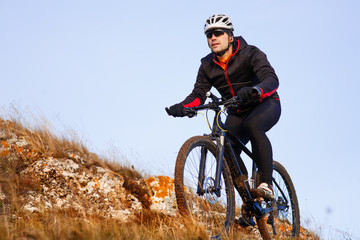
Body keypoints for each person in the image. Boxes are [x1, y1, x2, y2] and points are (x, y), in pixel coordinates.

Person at [166, 14, 281, 198]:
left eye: (218, 33)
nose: (213, 38)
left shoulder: (251, 53)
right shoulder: (207, 65)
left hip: (265, 103)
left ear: (230, 36)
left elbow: (271, 79)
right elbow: (198, 95)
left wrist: (256, 90)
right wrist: (182, 107)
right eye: (209, 35)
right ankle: (249, 200)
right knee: (227, 149)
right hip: (236, 110)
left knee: (253, 126)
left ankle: (266, 184)